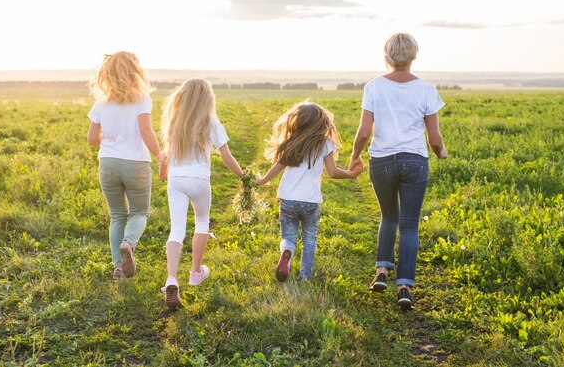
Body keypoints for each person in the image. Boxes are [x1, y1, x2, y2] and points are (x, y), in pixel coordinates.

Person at [350, 33, 448, 310]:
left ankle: (381, 271)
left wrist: (355, 155)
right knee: (409, 225)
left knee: (388, 217)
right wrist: (441, 153)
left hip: (381, 160)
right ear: (414, 55)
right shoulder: (427, 89)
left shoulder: (373, 87)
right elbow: (435, 139)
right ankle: (404, 287)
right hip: (415, 161)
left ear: (387, 56)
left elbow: (364, 131)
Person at [160, 78, 244, 308]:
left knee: (176, 228)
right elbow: (226, 155)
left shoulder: (174, 120)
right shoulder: (210, 121)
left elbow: (166, 152)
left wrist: (162, 169)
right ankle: (196, 272)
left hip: (176, 179)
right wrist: (243, 176)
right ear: (207, 99)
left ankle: (171, 278)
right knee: (201, 222)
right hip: (199, 180)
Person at [258, 102, 363, 282]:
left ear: (297, 121)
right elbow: (333, 172)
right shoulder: (325, 144)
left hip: (288, 198)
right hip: (311, 201)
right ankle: (304, 277)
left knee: (288, 237)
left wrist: (263, 180)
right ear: (321, 122)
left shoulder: (291, 142)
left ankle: (287, 252)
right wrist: (351, 173)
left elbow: (278, 167)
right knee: (309, 240)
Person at [87, 51, 162, 280]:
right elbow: (145, 130)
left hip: (108, 163)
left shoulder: (101, 102)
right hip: (136, 164)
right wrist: (160, 155)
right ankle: (129, 243)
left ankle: (118, 268)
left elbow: (92, 138)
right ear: (135, 72)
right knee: (140, 213)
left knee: (117, 215)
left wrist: (111, 141)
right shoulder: (142, 98)